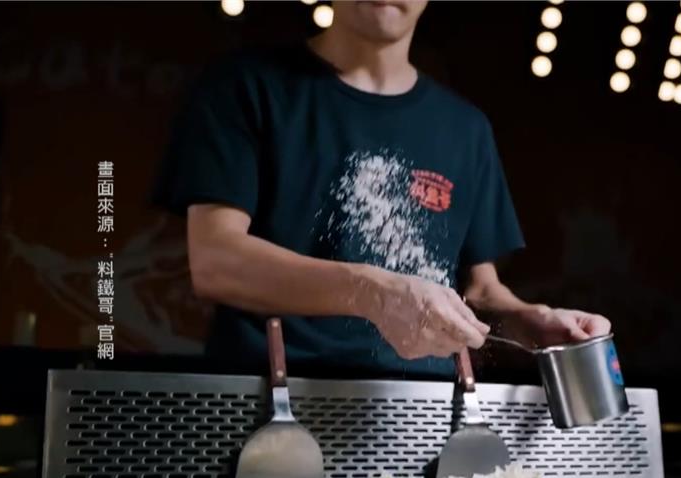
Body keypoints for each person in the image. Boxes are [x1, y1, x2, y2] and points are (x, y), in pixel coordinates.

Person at [153, 0, 610, 379]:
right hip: (271, 406)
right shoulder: (245, 87)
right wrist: (372, 291)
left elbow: (480, 292)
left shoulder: (466, 129)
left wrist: (532, 321)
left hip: (425, 414)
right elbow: (215, 262)